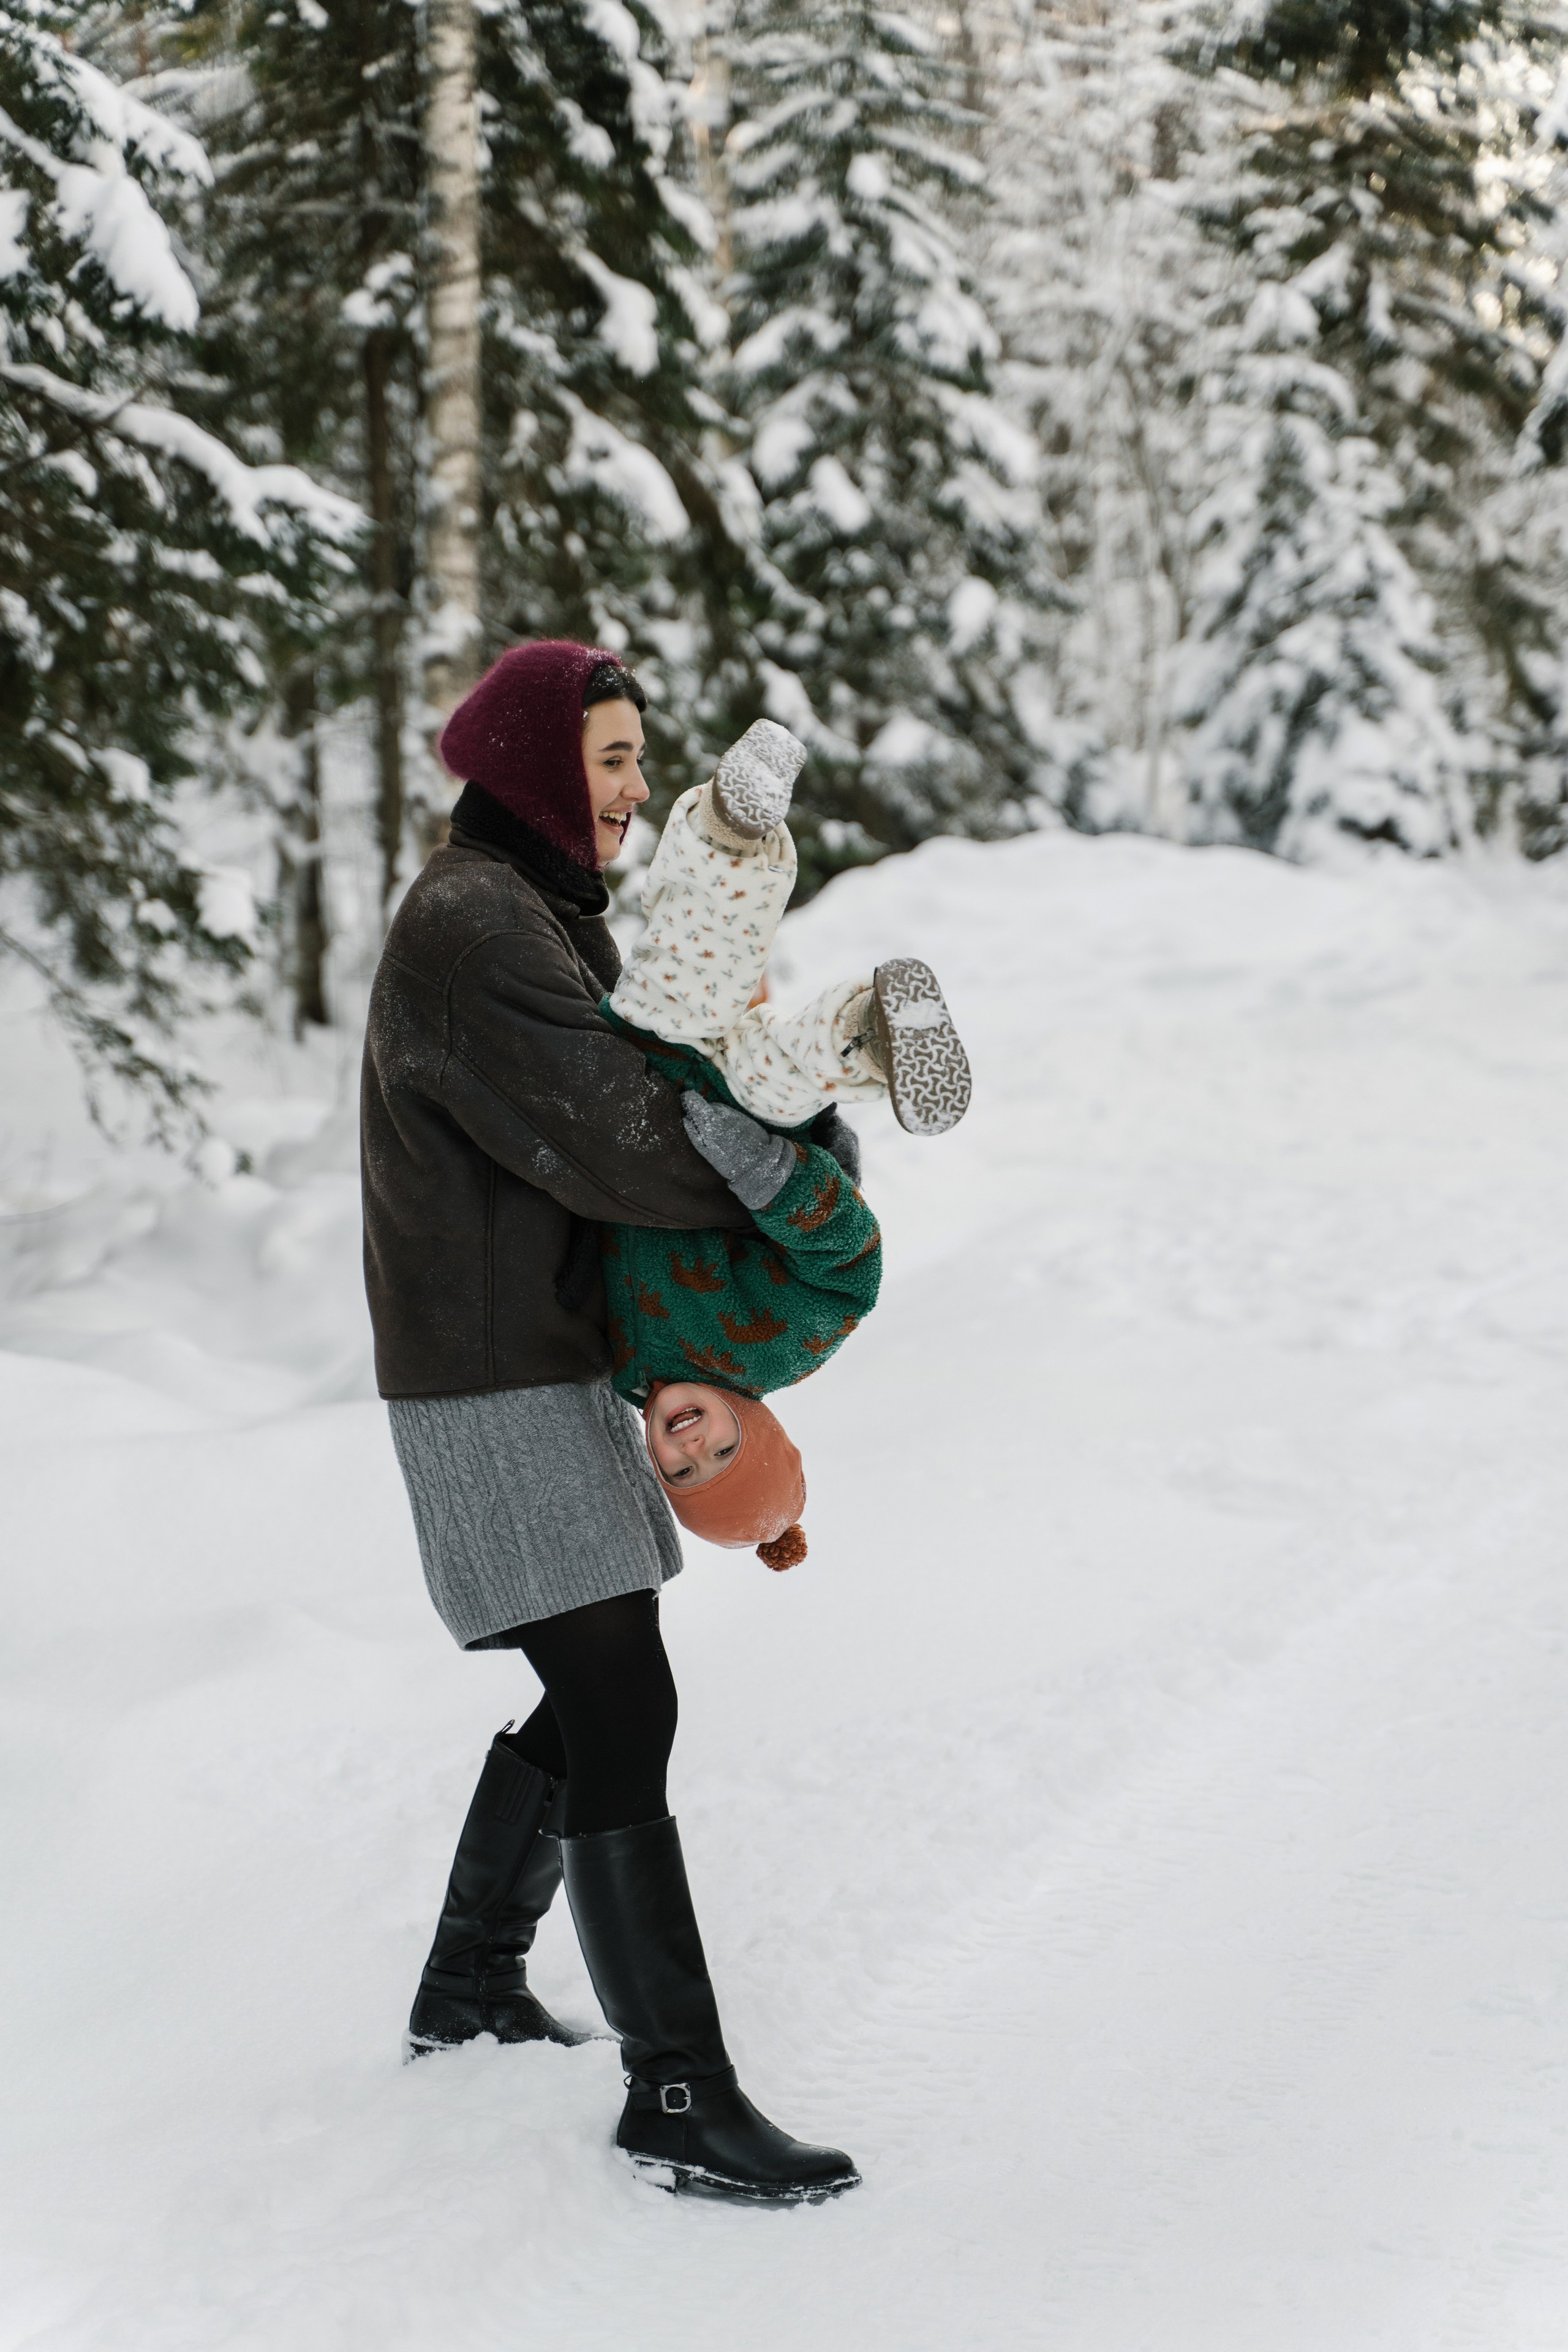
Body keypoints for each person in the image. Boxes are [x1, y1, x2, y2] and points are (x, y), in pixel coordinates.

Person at [361, 638, 861, 2203]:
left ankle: (467, 1986)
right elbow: (621, 1136)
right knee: (619, 1701)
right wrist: (793, 1158)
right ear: (531, 772)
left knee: (595, 1697)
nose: (641, 788)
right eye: (616, 761)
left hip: (529, 1358)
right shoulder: (472, 930)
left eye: (643, 759)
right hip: (488, 1372)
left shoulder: (526, 914)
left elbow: (630, 1091)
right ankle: (676, 2093)